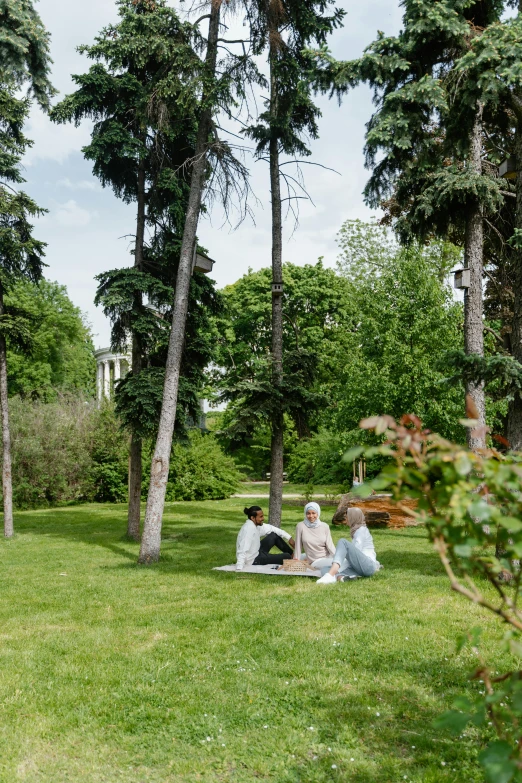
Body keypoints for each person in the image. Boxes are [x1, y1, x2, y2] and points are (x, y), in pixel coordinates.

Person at [316, 508, 380, 584]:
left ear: (353, 517)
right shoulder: (356, 530)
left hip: (367, 566)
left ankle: (331, 575)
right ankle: (341, 578)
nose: (346, 519)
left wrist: (337, 568)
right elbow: (354, 558)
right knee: (325, 568)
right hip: (359, 567)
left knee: (343, 542)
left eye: (347, 517)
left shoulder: (361, 530)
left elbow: (355, 555)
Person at [236, 506, 295, 571]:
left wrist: (289, 538)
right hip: (253, 560)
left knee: (273, 536)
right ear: (252, 518)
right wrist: (239, 567)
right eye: (260, 517)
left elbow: (272, 528)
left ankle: (293, 555)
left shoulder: (256, 525)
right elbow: (243, 548)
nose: (263, 518)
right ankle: (291, 557)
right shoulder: (248, 530)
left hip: (257, 552)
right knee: (286, 556)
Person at [293, 502, 335, 571]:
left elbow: (330, 546)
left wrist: (338, 558)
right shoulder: (300, 526)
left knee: (342, 562)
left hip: (326, 557)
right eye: (308, 513)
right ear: (305, 514)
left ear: (318, 513)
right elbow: (298, 546)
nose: (311, 516)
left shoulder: (325, 526)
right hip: (314, 561)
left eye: (313, 513)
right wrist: (296, 560)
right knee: (335, 565)